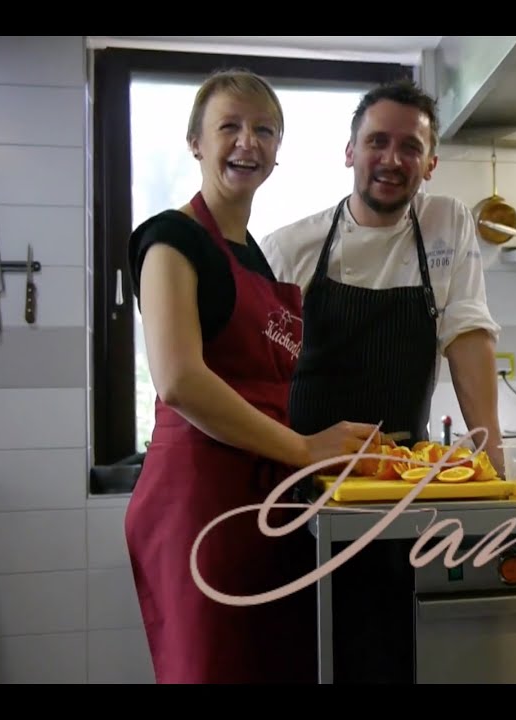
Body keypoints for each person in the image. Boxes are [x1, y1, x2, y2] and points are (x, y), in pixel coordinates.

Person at [123, 68, 389, 685]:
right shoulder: (170, 241)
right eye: (230, 127)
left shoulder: (257, 258)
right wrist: (302, 448)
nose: (249, 142)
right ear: (196, 141)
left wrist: (324, 451)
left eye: (264, 130)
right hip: (199, 507)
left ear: (278, 150)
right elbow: (180, 380)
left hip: (263, 503)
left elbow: (263, 392)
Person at [260, 79, 505, 474]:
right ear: (349, 153)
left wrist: (494, 461)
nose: (392, 160)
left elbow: (468, 336)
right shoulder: (288, 249)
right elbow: (256, 375)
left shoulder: (447, 222)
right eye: (377, 141)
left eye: (410, 147)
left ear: (430, 166)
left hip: (402, 476)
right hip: (303, 478)